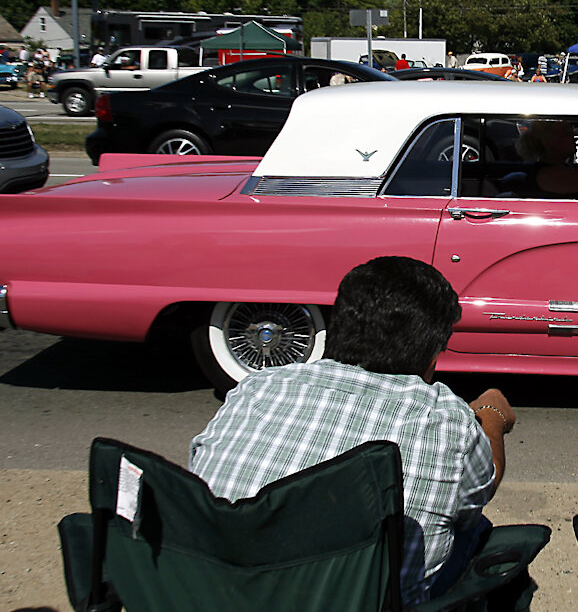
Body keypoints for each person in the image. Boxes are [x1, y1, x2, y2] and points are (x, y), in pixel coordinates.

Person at [190, 256, 515, 604]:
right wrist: (491, 414)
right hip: (365, 600)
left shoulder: (257, 389)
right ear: (434, 352)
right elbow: (482, 486)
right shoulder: (448, 420)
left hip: (214, 593)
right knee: (473, 528)